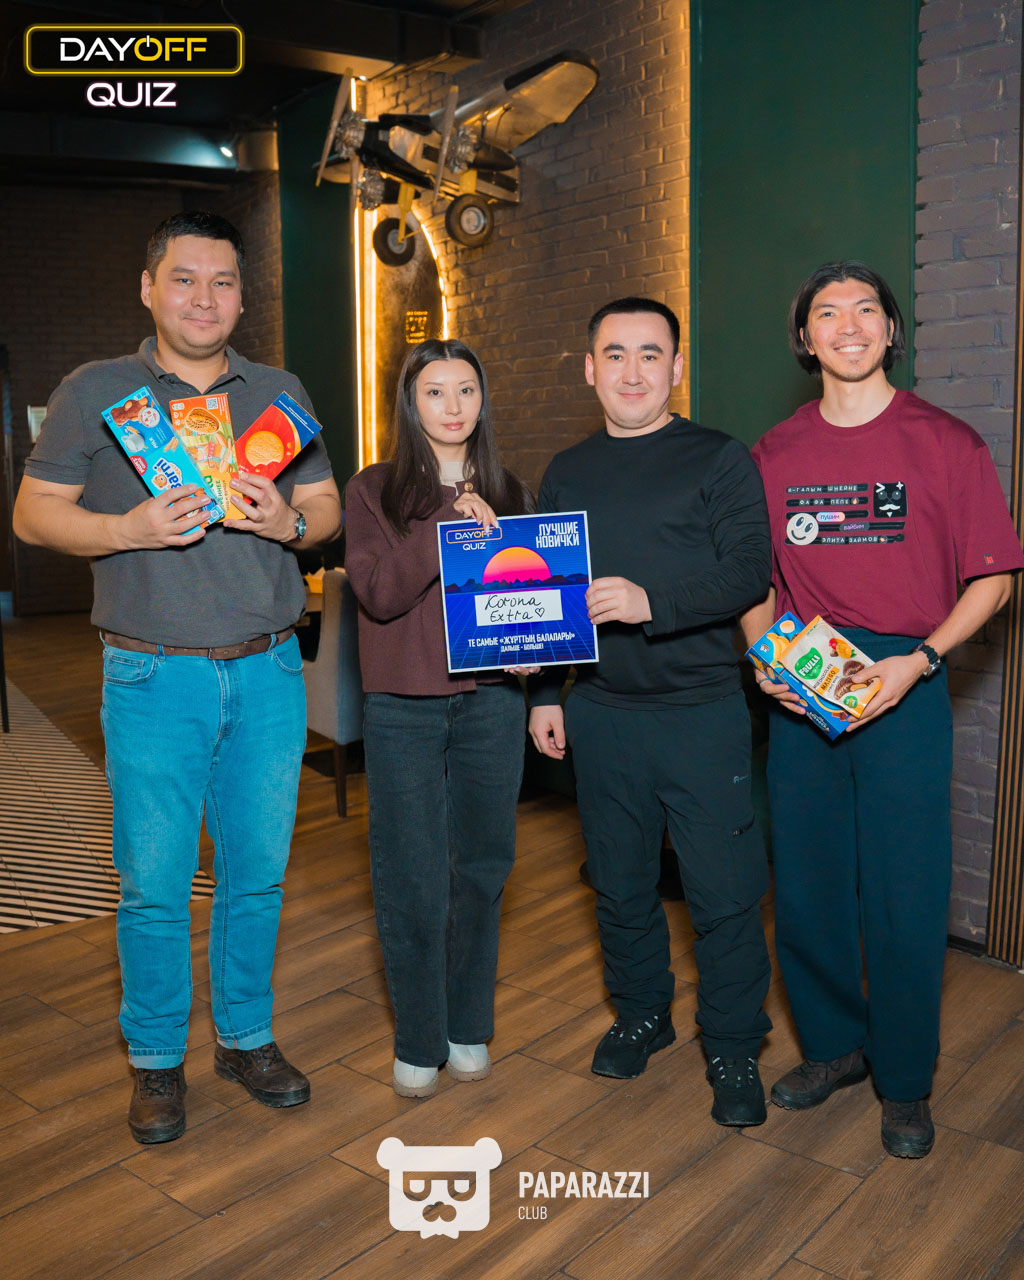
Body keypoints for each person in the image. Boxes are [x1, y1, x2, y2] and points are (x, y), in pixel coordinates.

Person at [13, 210, 342, 1144]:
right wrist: (126, 529)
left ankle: (245, 1038)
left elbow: (324, 506)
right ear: (148, 288)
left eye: (223, 281)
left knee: (258, 876)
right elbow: (33, 515)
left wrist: (287, 521)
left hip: (269, 670)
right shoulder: (95, 390)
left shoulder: (277, 391)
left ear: (242, 296)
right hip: (152, 676)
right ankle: (157, 1058)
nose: (205, 298)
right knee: (154, 885)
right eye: (185, 279)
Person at [741, 260, 1024, 1158]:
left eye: (866, 309)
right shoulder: (773, 454)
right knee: (809, 883)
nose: (849, 324)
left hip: (906, 681)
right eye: (828, 312)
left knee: (905, 891)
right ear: (805, 337)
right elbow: (755, 583)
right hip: (806, 688)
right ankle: (832, 1047)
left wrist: (923, 661)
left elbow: (995, 578)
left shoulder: (947, 443)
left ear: (891, 331)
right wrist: (766, 657)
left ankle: (904, 1081)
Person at [529, 297, 774, 1127]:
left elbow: (748, 571)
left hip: (702, 712)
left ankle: (733, 1044)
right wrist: (543, 693)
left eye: (650, 354)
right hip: (601, 712)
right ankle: (642, 1014)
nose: (632, 371)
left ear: (676, 368)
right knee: (619, 885)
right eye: (615, 354)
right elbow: (543, 593)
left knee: (724, 894)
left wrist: (650, 602)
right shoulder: (566, 471)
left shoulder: (719, 458)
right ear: (589, 369)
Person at [345, 338, 533, 1099]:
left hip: (494, 703)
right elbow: (380, 594)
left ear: (483, 402)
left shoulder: (511, 488)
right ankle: (420, 1036)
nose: (453, 406)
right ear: (410, 403)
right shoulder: (374, 489)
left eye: (466, 391)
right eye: (434, 392)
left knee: (483, 868)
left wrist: (539, 652)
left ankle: (468, 1026)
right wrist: (449, 525)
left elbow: (530, 595)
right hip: (404, 707)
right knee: (412, 875)